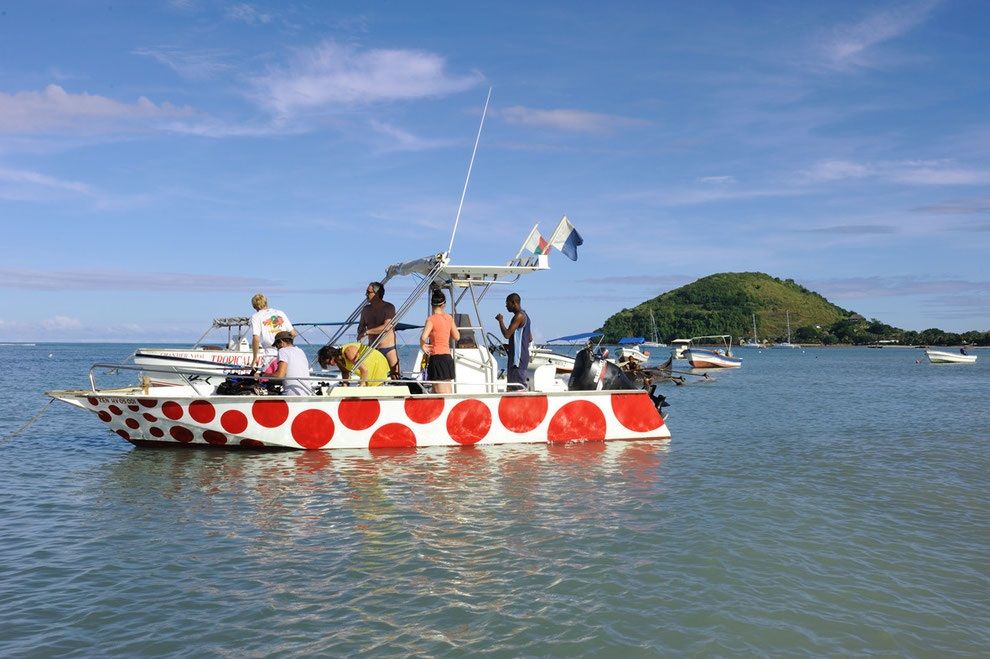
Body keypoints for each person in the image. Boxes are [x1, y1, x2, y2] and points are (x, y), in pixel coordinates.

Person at [420, 290, 461, 394]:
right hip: (447, 358)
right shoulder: (449, 318)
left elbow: (424, 336)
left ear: (432, 304)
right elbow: (457, 337)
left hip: (436, 357)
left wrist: (423, 345)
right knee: (448, 391)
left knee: (439, 394)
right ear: (444, 305)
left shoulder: (431, 319)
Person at [358, 281, 400, 379]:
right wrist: (360, 332)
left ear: (377, 294)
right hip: (373, 348)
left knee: (396, 376)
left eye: (368, 292)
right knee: (371, 377)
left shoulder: (389, 307)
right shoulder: (366, 309)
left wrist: (367, 332)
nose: (366, 294)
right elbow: (361, 326)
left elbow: (386, 327)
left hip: (389, 348)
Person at [249, 293, 296, 372]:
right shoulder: (280, 313)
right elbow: (293, 333)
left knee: (267, 380)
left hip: (270, 355)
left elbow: (256, 338)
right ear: (266, 302)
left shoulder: (256, 317)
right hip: (287, 352)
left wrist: (254, 358)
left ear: (254, 306)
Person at [496, 292, 532, 389]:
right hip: (519, 357)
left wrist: (500, 321)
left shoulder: (519, 316)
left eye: (507, 303)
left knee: (517, 387)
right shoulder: (525, 316)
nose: (506, 306)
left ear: (513, 303)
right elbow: (529, 338)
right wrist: (511, 346)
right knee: (512, 387)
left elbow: (507, 334)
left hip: (518, 359)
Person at [317, 342, 390, 387]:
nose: (332, 365)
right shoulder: (338, 360)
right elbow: (345, 372)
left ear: (332, 355)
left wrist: (361, 385)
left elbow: (364, 370)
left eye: (330, 362)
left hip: (378, 365)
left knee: (366, 387)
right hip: (368, 373)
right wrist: (345, 385)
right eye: (328, 364)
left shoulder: (348, 352)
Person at [270, 331, 311, 396]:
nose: (277, 348)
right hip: (307, 392)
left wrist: (262, 375)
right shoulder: (300, 351)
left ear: (281, 342)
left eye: (276, 346)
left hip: (292, 395)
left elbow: (280, 375)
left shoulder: (283, 350)